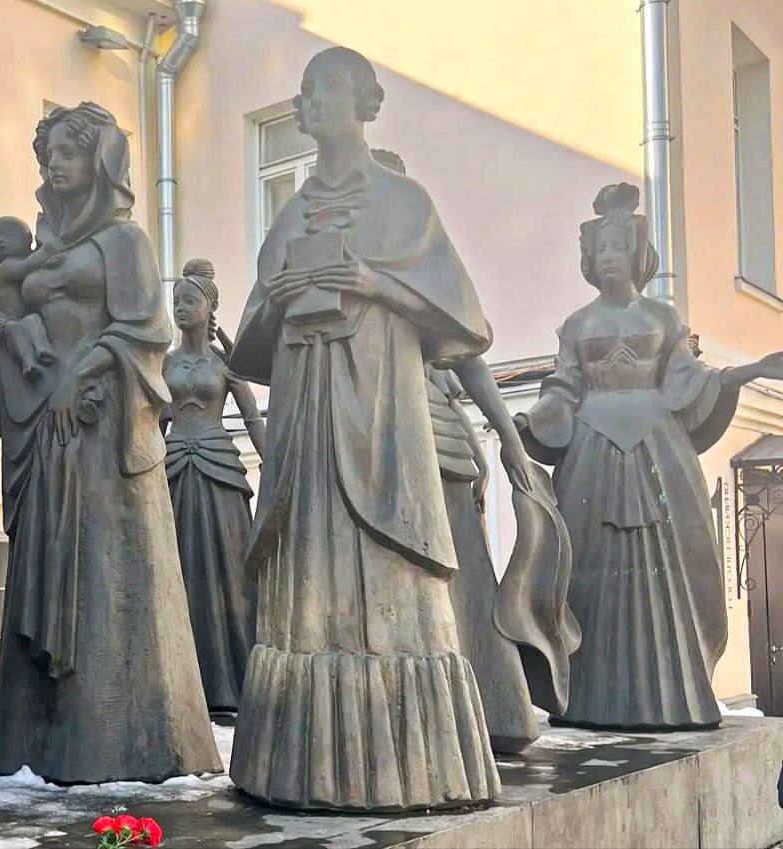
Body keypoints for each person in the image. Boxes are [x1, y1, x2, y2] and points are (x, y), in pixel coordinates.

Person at [228, 48, 500, 811]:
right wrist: (281, 295)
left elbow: (461, 319)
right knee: (307, 564)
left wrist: (372, 281)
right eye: (304, 91)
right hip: (306, 408)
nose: (309, 101)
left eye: (324, 87)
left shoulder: (403, 202)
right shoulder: (290, 213)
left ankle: (409, 768)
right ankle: (298, 765)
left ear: (363, 102)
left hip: (380, 408)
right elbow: (251, 341)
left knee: (389, 567)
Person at [0, 103, 220, 784]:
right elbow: (10, 317)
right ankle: (32, 735)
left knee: (107, 571)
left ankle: (117, 739)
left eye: (70, 153)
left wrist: (79, 373)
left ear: (100, 162)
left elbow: (146, 329)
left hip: (104, 428)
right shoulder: (42, 249)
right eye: (49, 154)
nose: (55, 165)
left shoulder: (125, 241)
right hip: (48, 428)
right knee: (46, 561)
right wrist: (11, 339)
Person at [518, 183, 783, 729]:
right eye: (601, 249)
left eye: (619, 247)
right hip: (590, 453)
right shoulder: (577, 325)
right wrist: (530, 421)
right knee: (587, 570)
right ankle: (588, 699)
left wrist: (746, 372)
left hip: (659, 450)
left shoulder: (662, 318)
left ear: (639, 254)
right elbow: (563, 388)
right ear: (588, 259)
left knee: (674, 560)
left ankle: (674, 698)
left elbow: (689, 379)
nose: (610, 257)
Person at [371, 149, 576, 754]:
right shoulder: (353, 275)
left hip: (440, 444)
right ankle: (413, 717)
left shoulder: (427, 275)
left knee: (461, 576)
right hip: (377, 440)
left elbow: (472, 365)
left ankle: (492, 711)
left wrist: (508, 443)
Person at [163, 257, 266, 712]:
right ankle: (178, 683)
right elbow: (150, 420)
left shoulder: (225, 364)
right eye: (176, 301)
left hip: (218, 471)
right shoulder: (162, 363)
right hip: (171, 469)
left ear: (210, 308)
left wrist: (277, 466)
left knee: (229, 573)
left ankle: (233, 682)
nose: (180, 308)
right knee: (176, 570)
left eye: (190, 300)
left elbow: (253, 418)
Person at [0, 216, 56, 382]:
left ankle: (42, 350)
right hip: (5, 320)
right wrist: (48, 249)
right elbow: (30, 265)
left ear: (27, 239)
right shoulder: (7, 267)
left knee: (33, 320)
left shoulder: (26, 259)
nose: (0, 242)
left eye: (8, 236)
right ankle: (28, 363)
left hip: (23, 318)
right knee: (15, 330)